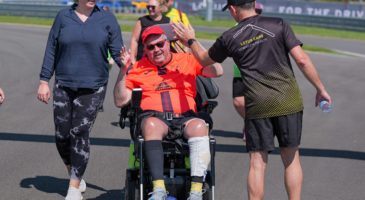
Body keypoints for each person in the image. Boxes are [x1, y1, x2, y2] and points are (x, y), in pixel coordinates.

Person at [172, 0, 332, 199]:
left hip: (258, 103)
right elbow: (302, 59)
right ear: (253, 4)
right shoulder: (279, 24)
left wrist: (190, 40)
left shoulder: (229, 36)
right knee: (291, 158)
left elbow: (204, 60)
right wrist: (320, 88)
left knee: (257, 162)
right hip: (288, 100)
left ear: (232, 9)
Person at [114, 26, 223, 200]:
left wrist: (191, 42)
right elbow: (120, 100)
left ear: (168, 43)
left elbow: (217, 71)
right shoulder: (138, 68)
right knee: (151, 125)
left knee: (200, 125)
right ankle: (158, 189)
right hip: (155, 119)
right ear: (146, 51)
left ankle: (196, 191)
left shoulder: (187, 59)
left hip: (186, 117)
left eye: (160, 44)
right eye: (151, 47)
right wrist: (123, 70)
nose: (156, 49)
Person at [37, 0, 124, 199]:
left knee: (80, 132)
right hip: (64, 84)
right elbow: (51, 48)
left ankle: (74, 187)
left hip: (94, 87)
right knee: (62, 136)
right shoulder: (63, 17)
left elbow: (120, 54)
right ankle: (73, 170)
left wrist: (133, 70)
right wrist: (44, 80)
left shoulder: (107, 19)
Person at [231, 2, 263, 141]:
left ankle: (254, 125)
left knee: (257, 102)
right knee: (239, 102)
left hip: (259, 72)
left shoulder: (264, 27)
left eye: (258, 11)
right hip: (240, 72)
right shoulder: (236, 28)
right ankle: (250, 121)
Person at [130, 0, 170, 64]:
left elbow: (170, 41)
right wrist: (132, 59)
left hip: (162, 61)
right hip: (143, 60)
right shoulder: (142, 21)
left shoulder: (168, 21)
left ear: (160, 7)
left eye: (153, 7)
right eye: (148, 7)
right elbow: (134, 40)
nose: (150, 9)